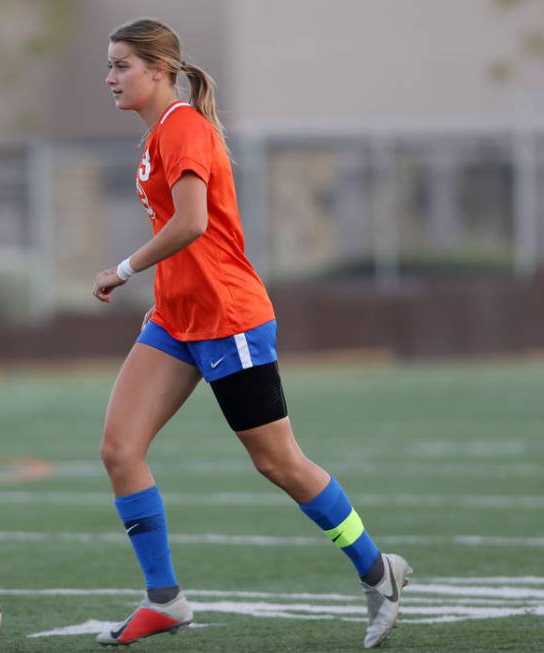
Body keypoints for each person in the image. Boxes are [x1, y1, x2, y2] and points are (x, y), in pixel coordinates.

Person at [92, 18, 412, 648]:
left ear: (160, 69)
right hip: (176, 320)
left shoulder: (183, 127)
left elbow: (191, 223)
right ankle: (165, 599)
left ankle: (379, 572)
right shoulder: (158, 134)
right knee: (119, 450)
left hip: (228, 320)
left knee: (278, 461)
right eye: (108, 66)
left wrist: (123, 269)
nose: (110, 78)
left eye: (121, 65)